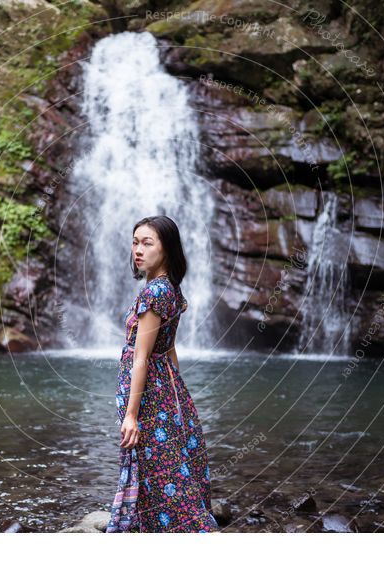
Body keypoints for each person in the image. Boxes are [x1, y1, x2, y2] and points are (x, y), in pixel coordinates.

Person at [105, 215, 218, 533]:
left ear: (166, 249)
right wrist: (177, 398)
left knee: (155, 466)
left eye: (147, 243)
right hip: (163, 390)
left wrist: (131, 414)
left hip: (149, 394)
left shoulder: (155, 294)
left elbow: (142, 357)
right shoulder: (169, 289)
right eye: (135, 242)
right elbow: (169, 351)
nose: (137, 250)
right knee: (163, 465)